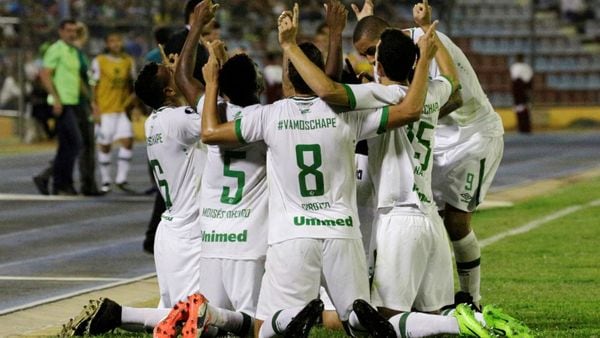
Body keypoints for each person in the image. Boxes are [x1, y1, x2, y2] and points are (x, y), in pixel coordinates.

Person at [199, 4, 445, 336]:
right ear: (319, 74)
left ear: (288, 75)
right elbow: (411, 110)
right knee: (356, 320)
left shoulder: (268, 116)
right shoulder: (349, 114)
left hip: (292, 236)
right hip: (342, 233)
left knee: (262, 328)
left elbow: (210, 134)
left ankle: (287, 321)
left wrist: (213, 81)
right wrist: (425, 60)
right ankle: (381, 319)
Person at [351, 0, 505, 311]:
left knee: (457, 222)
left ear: (384, 45)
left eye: (371, 53)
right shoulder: (396, 47)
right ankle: (433, 297)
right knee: (424, 209)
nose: (369, 61)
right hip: (440, 136)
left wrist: (416, 113)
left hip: (472, 137)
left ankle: (472, 301)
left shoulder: (430, 46)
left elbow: (456, 94)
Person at [36, 19, 84, 196]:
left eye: (74, 31)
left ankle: (56, 182)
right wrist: (55, 98)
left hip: (72, 101)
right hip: (62, 103)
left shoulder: (72, 50)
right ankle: (62, 182)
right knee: (75, 142)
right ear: (61, 32)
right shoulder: (56, 49)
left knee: (66, 145)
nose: (72, 34)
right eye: (69, 30)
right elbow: (45, 74)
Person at [92, 32, 137, 193]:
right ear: (107, 44)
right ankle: (105, 180)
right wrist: (94, 107)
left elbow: (133, 85)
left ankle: (121, 179)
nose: (116, 44)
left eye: (118, 40)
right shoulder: (99, 61)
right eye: (112, 41)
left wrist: (134, 104)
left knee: (127, 141)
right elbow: (94, 85)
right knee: (104, 145)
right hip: (105, 109)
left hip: (122, 109)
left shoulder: (128, 61)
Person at [510, 53, 533, 133]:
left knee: (520, 108)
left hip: (518, 88)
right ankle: (526, 127)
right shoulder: (527, 67)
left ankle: (521, 127)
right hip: (526, 88)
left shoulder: (514, 67)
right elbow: (530, 79)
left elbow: (514, 79)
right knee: (525, 108)